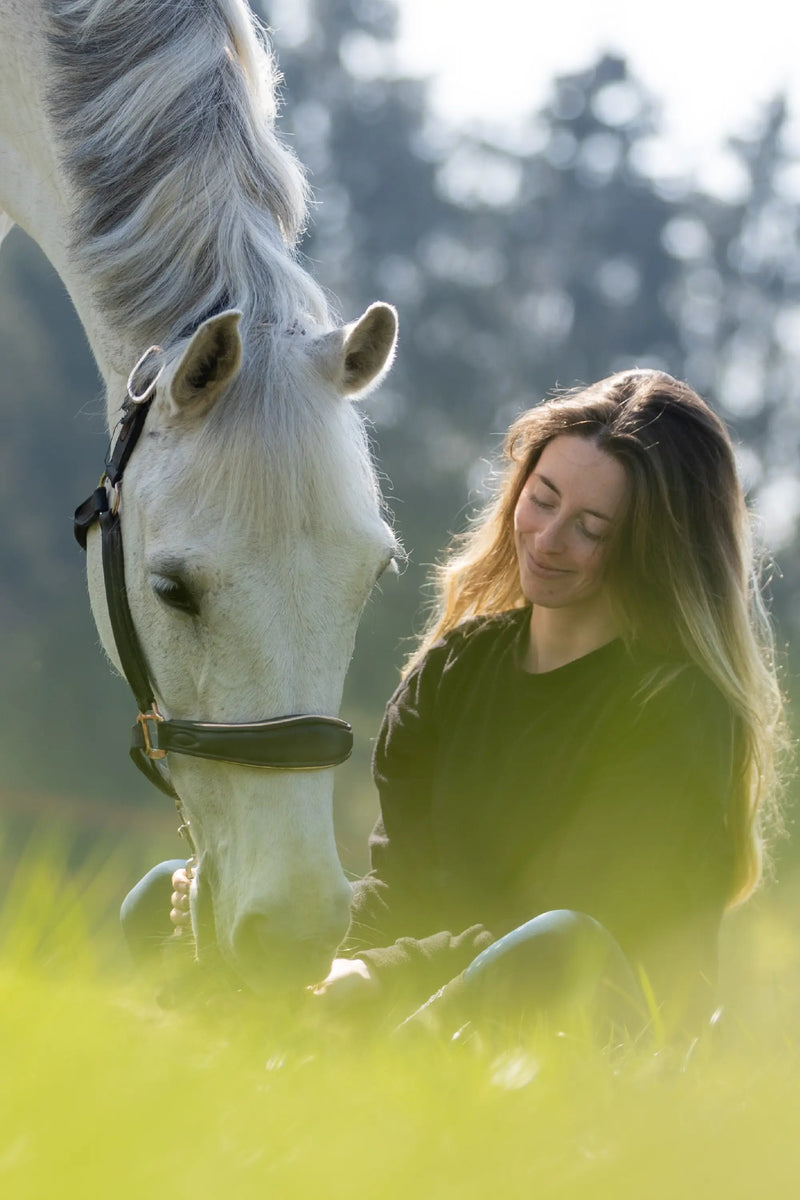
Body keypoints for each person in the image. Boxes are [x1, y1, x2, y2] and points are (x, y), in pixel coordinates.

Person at [127, 369, 786, 1044]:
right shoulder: (455, 668)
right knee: (169, 896)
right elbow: (405, 887)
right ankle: (233, 1072)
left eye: (591, 528)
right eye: (543, 499)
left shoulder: (675, 708)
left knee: (556, 941)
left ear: (654, 552)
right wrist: (302, 948)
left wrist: (379, 977)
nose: (548, 539)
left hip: (588, 1020)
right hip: (432, 985)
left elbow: (579, 926)